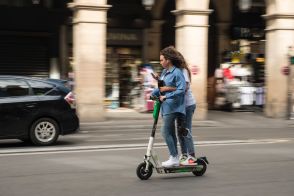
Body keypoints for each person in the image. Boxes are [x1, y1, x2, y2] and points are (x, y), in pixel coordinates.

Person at [159, 48, 197, 165]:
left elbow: (184, 89)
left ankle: (191, 156)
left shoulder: (182, 71)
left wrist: (167, 90)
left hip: (187, 105)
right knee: (178, 130)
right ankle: (183, 155)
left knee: (184, 130)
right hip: (176, 105)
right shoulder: (168, 71)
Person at [151, 46, 186, 167]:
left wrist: (167, 96)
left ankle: (174, 157)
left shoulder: (177, 72)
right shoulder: (165, 72)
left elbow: (182, 90)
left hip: (174, 106)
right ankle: (174, 157)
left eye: (161, 60)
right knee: (170, 132)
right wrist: (153, 93)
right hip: (165, 107)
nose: (160, 62)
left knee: (165, 132)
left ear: (168, 60)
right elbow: (162, 87)